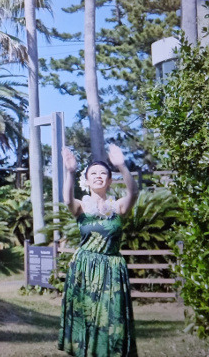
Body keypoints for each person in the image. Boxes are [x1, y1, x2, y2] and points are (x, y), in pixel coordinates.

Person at [58, 145, 138, 357]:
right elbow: (67, 199)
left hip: (112, 270)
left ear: (110, 181)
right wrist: (70, 171)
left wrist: (121, 165)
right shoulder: (81, 207)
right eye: (93, 173)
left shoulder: (119, 207)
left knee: (113, 320)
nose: (99, 176)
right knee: (86, 318)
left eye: (103, 173)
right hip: (84, 270)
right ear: (86, 180)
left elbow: (134, 192)